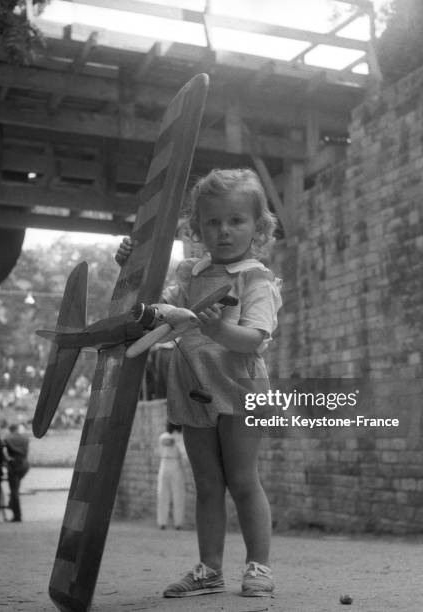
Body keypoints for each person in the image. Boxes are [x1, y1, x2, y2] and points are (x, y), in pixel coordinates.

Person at [116, 168, 282, 598]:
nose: (224, 231)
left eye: (236, 221)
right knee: (207, 484)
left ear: (258, 227)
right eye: (213, 222)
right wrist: (133, 266)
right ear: (197, 228)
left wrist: (219, 333)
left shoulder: (254, 278)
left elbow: (255, 338)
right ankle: (210, 570)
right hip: (192, 385)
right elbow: (153, 310)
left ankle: (259, 567)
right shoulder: (190, 273)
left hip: (240, 387)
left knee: (243, 480)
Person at [157, 422, 185, 530]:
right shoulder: (170, 437)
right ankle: (169, 522)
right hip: (170, 464)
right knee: (169, 494)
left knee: (168, 494)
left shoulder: (166, 436)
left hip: (169, 464)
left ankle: (172, 522)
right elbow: (167, 442)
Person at [4, 423, 29, 522]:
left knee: (14, 491)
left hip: (14, 465)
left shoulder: (8, 438)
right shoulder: (25, 438)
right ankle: (12, 505)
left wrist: (7, 460)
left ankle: (17, 515)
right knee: (16, 487)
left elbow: (3, 451)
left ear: (10, 430)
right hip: (24, 465)